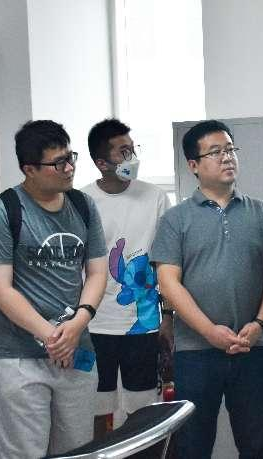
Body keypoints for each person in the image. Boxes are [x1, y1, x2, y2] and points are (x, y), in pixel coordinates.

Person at [152, 120, 263, 458]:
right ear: (194, 165)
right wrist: (209, 331)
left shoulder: (260, 212)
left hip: (251, 349)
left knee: (256, 446)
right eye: (215, 152)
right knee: (194, 447)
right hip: (195, 353)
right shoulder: (176, 219)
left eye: (230, 149)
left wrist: (259, 325)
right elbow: (168, 283)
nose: (227, 157)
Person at [0, 120, 107, 457]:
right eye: (58, 162)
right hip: (19, 355)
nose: (69, 168)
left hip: (76, 350)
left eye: (70, 157)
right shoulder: (2, 211)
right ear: (29, 169)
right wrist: (52, 336)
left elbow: (97, 272)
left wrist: (77, 324)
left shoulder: (83, 205)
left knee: (78, 450)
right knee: (23, 452)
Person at [82, 119, 172, 438]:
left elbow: (166, 261)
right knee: (95, 408)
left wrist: (168, 315)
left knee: (143, 408)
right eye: (123, 152)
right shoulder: (82, 201)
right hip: (94, 324)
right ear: (101, 162)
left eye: (133, 149)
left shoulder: (155, 197)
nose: (132, 158)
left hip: (143, 324)